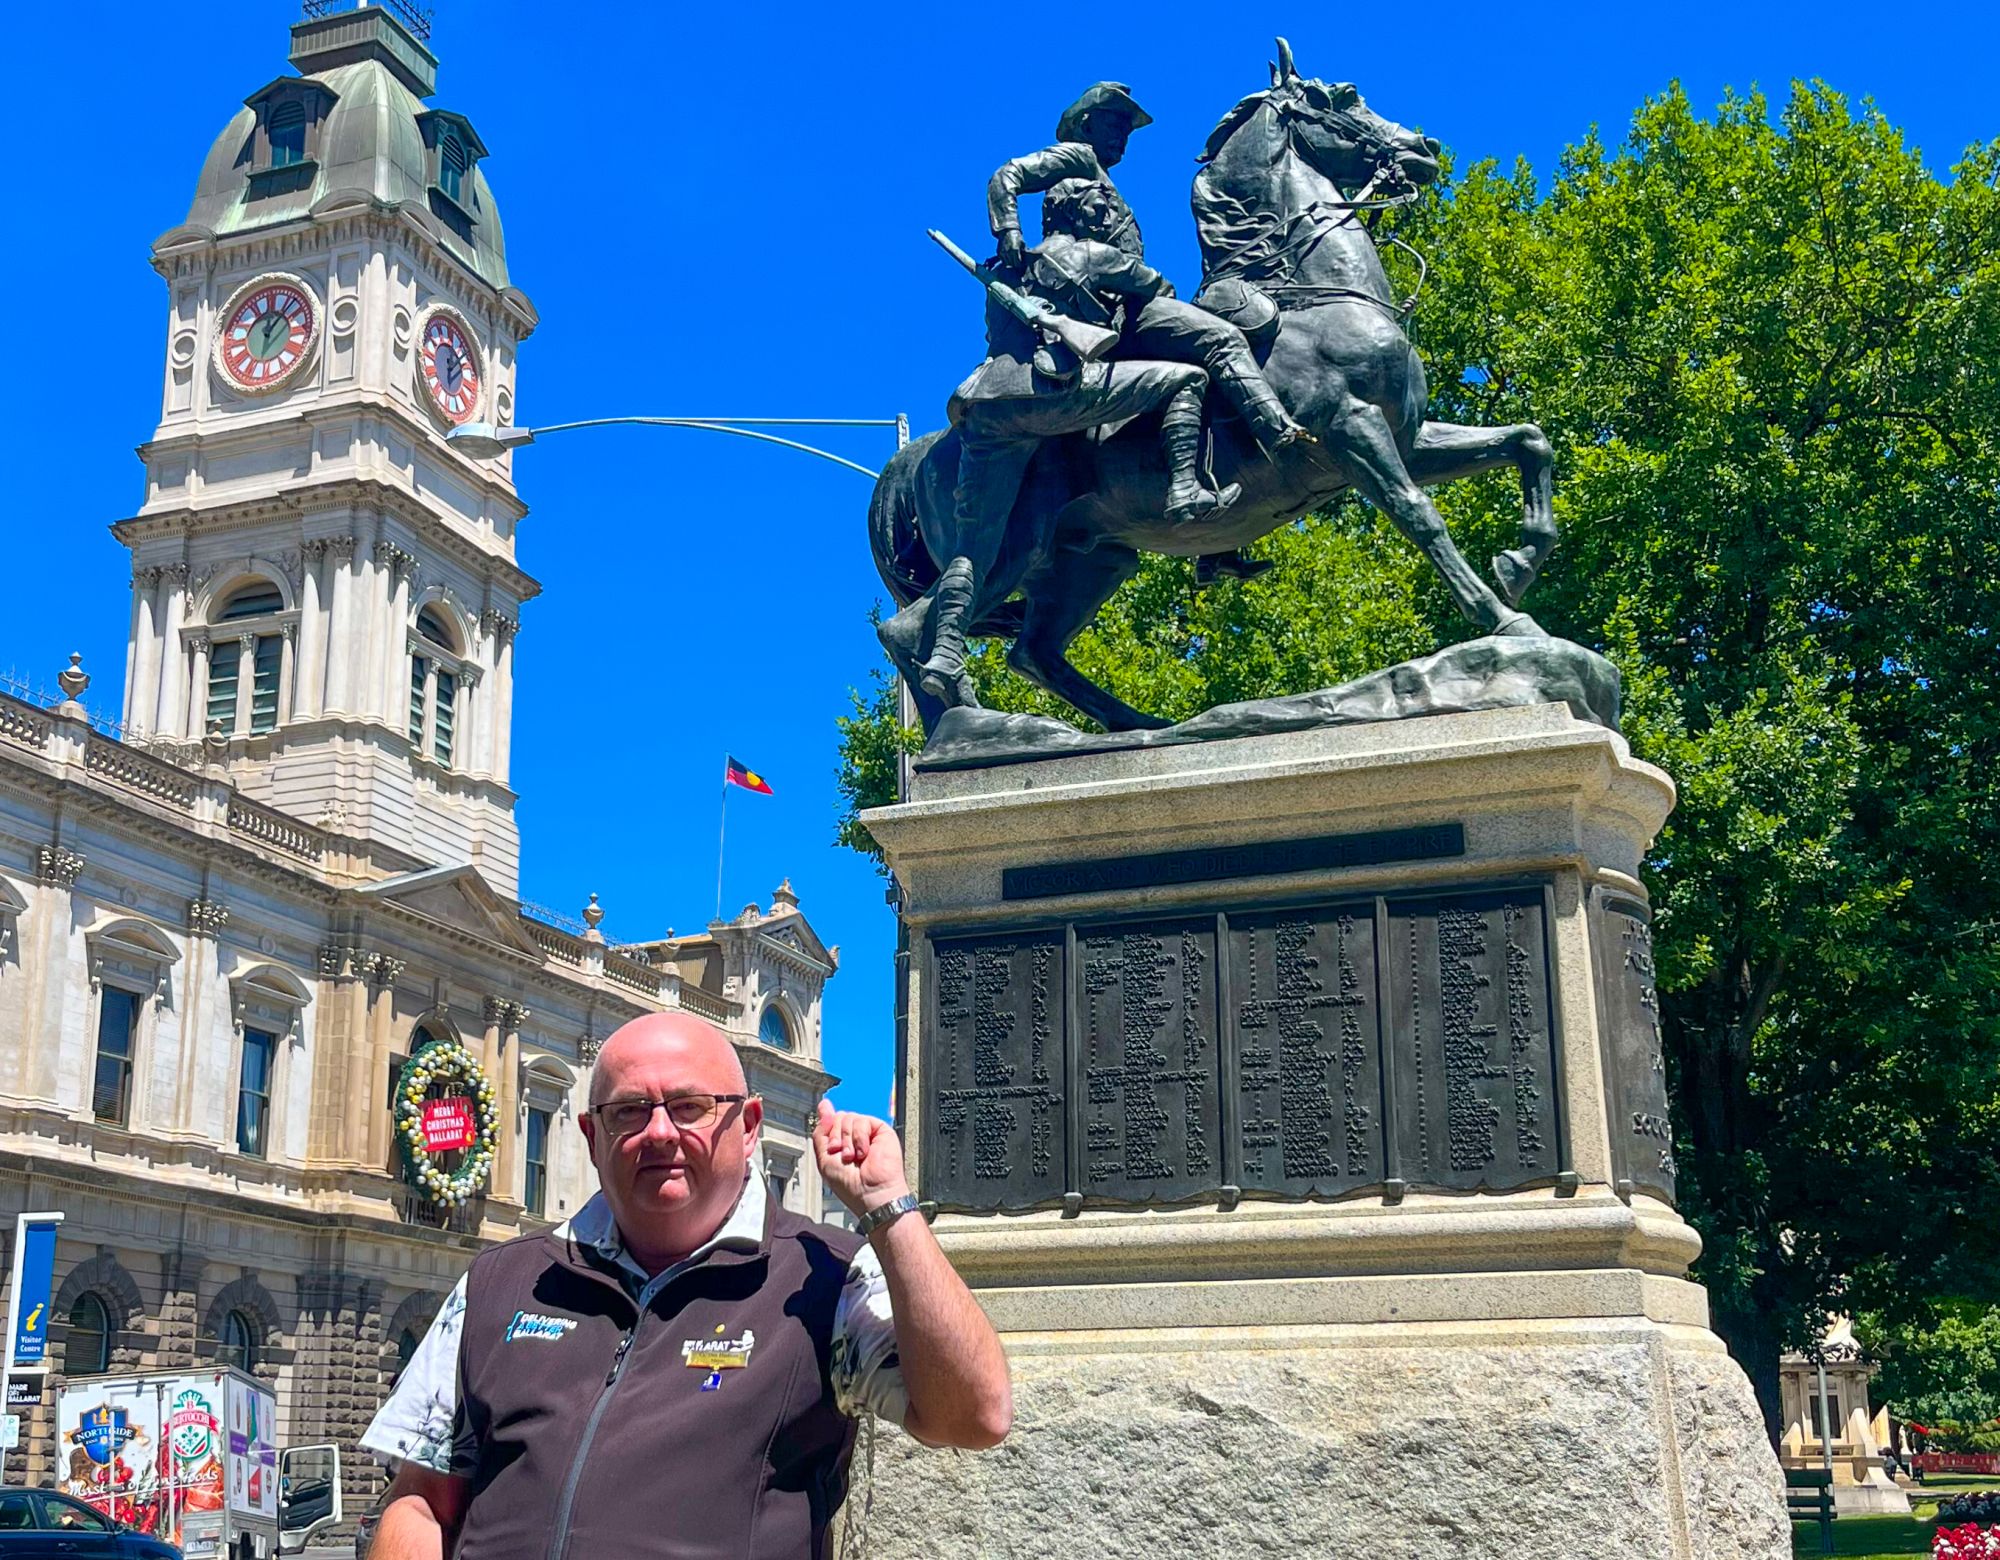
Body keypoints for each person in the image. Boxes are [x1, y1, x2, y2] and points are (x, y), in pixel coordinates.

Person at [360, 1010, 1011, 1559]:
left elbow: (973, 1415)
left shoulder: (826, 1276)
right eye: (630, 1111)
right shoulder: (504, 1280)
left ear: (749, 1126)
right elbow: (421, 1500)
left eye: (690, 1107)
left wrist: (889, 1210)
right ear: (592, 1136)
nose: (660, 1133)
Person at [918, 182, 1238, 704]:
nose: (1107, 211)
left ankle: (947, 651)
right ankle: (1186, 489)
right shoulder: (1091, 253)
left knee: (972, 552)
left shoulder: (1005, 270)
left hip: (986, 405)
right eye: (1098, 206)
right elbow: (1158, 288)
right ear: (1073, 213)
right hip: (1050, 391)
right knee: (1185, 380)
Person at [989, 85, 1314, 587]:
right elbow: (1006, 176)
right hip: (1112, 308)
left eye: (1126, 126)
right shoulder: (1077, 159)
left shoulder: (1102, 178)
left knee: (1201, 372)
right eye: (1115, 122)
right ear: (1087, 123)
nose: (1123, 134)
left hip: (1124, 299)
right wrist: (1008, 228)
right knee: (1222, 340)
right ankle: (1280, 436)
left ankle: (1219, 542)